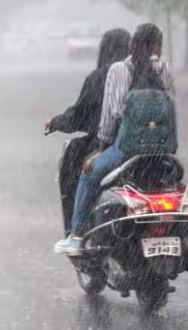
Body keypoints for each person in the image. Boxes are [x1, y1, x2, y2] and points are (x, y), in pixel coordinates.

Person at [54, 23, 176, 256]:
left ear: (133, 45)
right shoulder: (165, 71)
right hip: (162, 151)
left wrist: (102, 147)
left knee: (89, 174)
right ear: (159, 47)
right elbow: (171, 108)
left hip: (126, 149)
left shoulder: (117, 71)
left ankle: (77, 235)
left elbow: (110, 116)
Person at [46, 28, 131, 232]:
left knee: (77, 164)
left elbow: (79, 118)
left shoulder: (99, 77)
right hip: (140, 145)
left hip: (108, 145)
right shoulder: (140, 75)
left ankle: (76, 229)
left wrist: (55, 122)